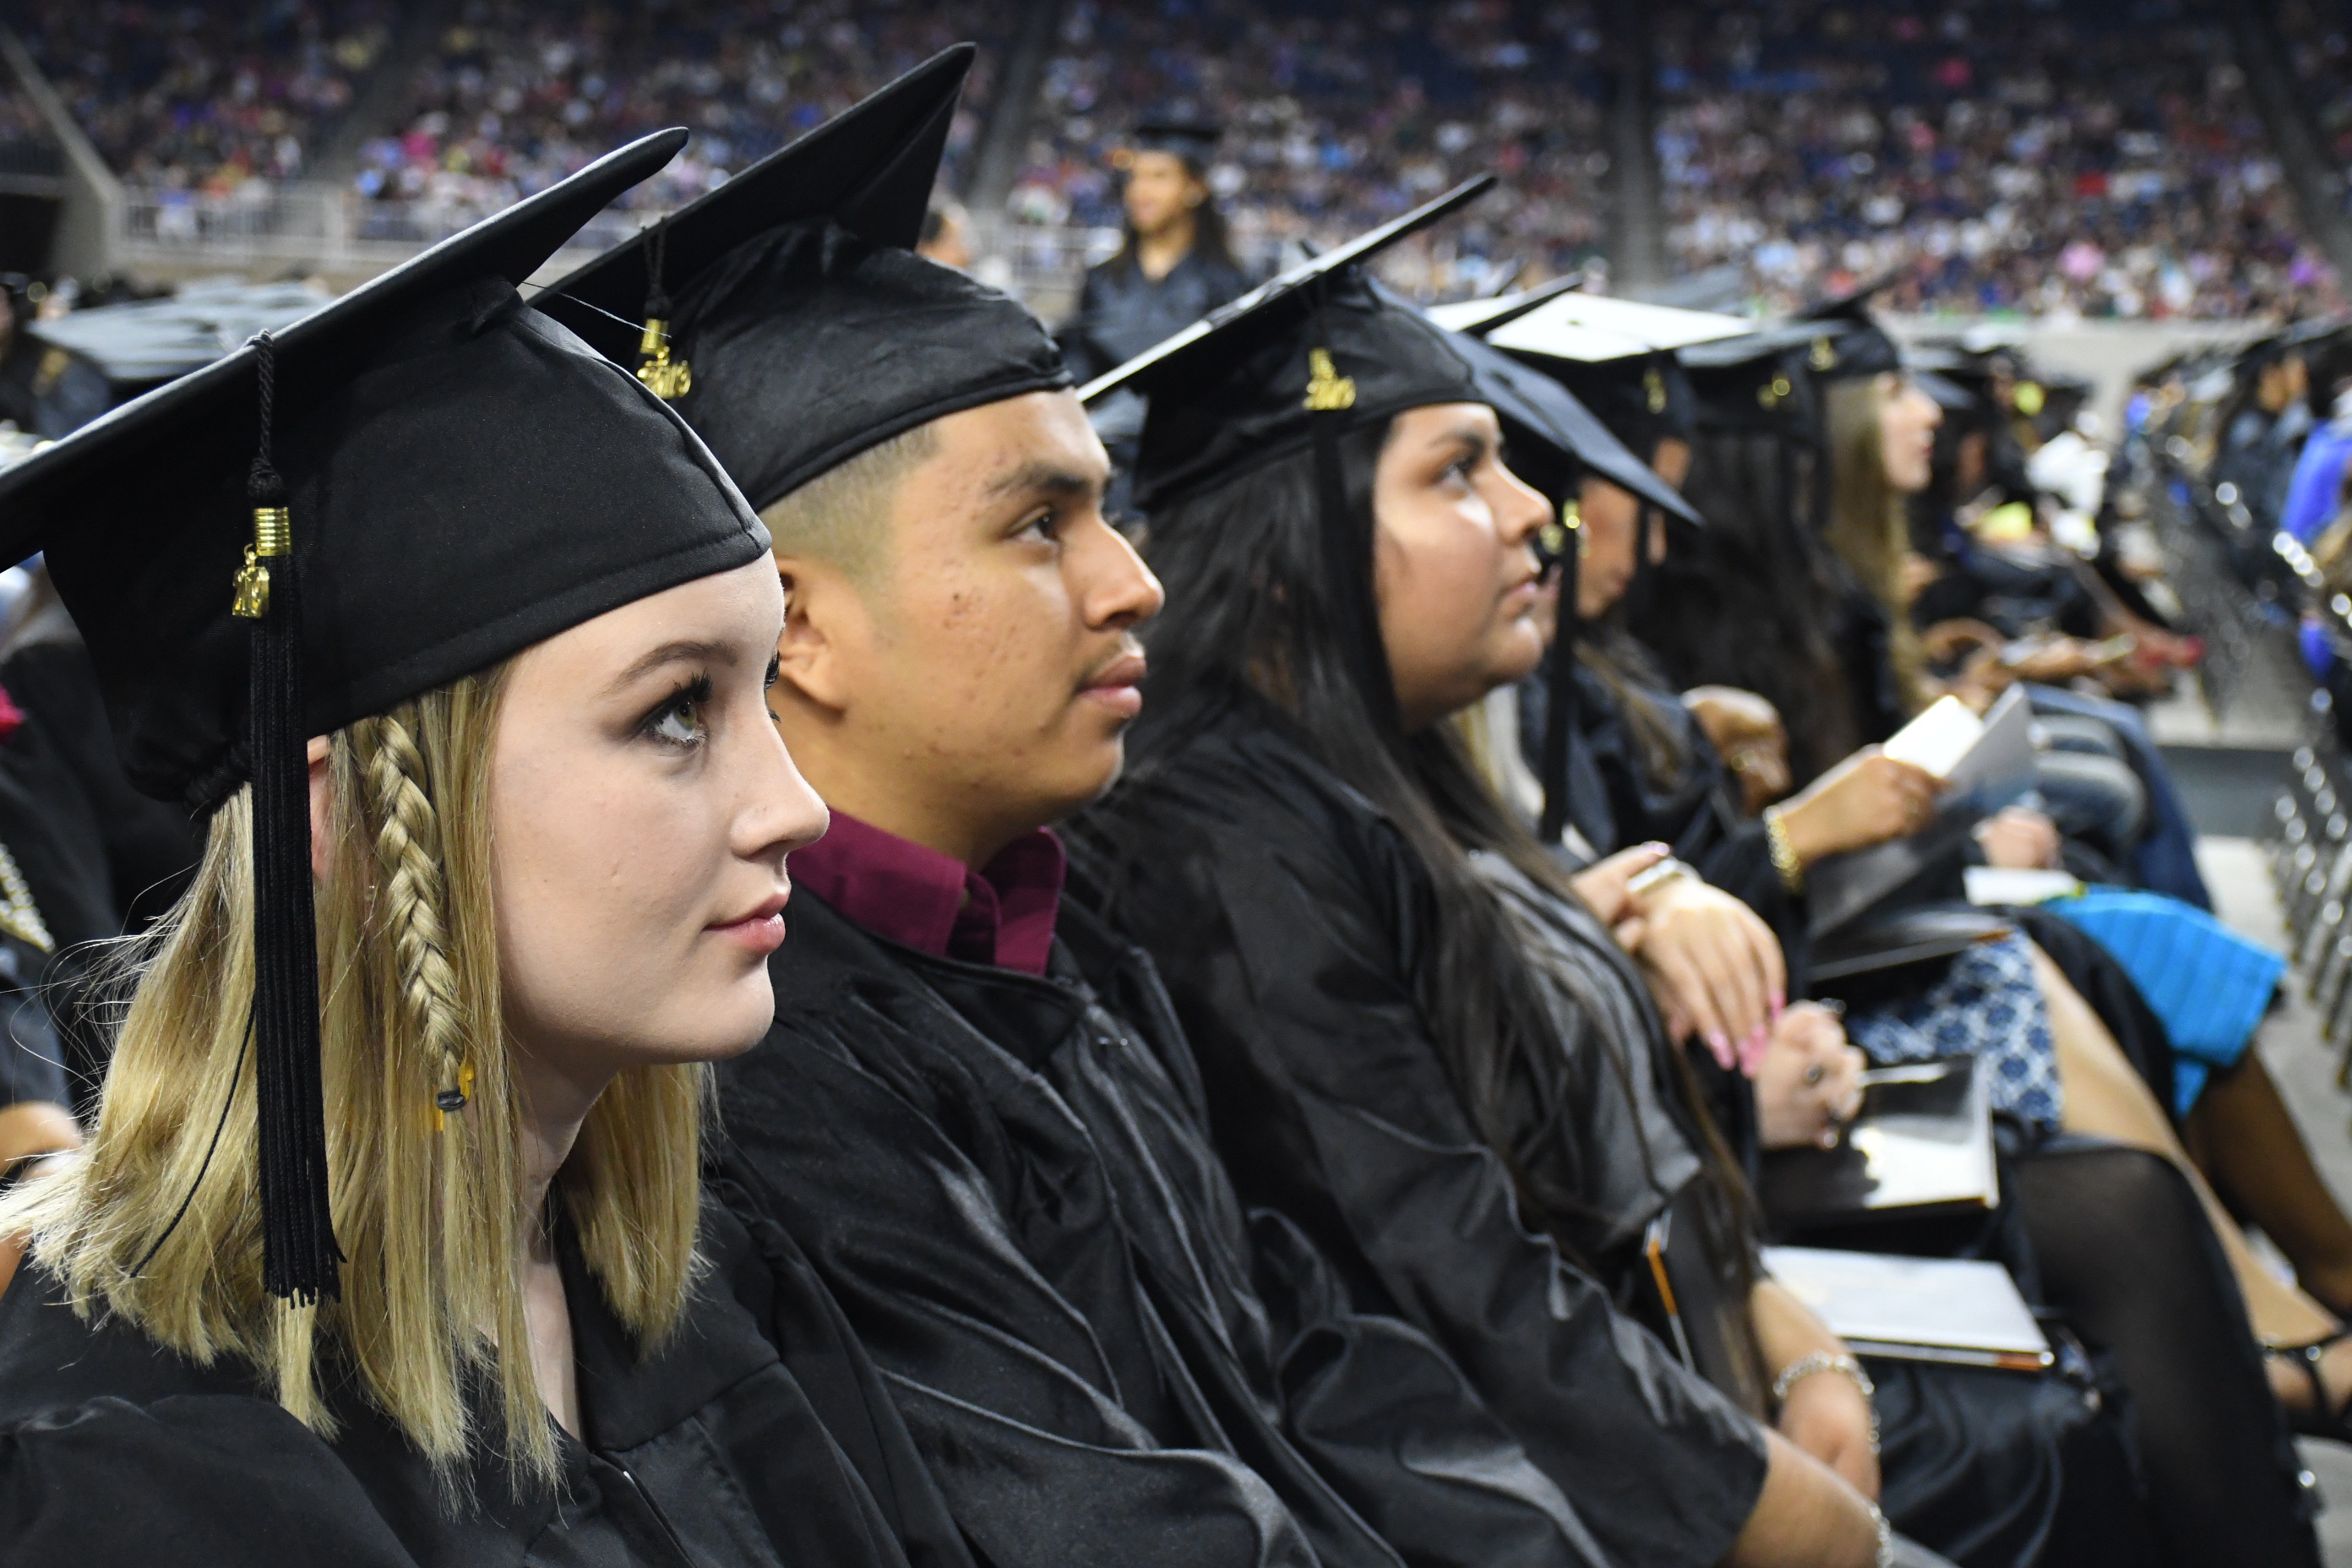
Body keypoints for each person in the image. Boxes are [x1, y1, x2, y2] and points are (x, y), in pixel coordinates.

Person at [542, 56, 1616, 1568]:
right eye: (1042, 523)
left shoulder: (1064, 930)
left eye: (1108, 512)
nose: (1136, 585)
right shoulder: (751, 1073)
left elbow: (1301, 1340)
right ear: (800, 629)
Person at [0, 130, 980, 1568]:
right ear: (333, 812)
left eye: (760, 691)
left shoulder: (687, 1282)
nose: (797, 807)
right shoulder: (137, 1472)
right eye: (670, 714)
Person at [1064, 207, 1996, 1568]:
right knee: (2033, 1443)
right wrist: (1799, 1519)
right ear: (1291, 550)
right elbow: (1460, 1291)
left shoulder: (1392, 776)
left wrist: (1782, 1333)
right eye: (1460, 472)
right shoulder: (1228, 847)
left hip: (1678, 1364)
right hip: (1557, 1482)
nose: (1533, 515)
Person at [1514, 328, 2335, 1563]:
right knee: (2088, 983)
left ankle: (2278, 1317)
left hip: (1770, 1028)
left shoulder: (1620, 651)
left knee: (2096, 916)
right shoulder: (1525, 693)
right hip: (1735, 1083)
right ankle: (2280, 1332)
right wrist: (1784, 836)